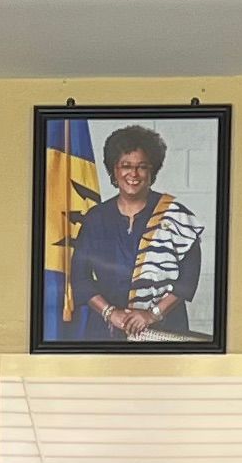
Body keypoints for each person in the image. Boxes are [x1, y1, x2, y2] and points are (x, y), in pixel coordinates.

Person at [61, 124, 203, 343]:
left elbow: (187, 281)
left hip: (164, 330)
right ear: (114, 170)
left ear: (152, 171)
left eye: (142, 167)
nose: (134, 174)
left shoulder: (177, 217)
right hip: (105, 330)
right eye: (126, 165)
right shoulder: (95, 218)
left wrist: (152, 314)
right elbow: (80, 278)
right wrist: (111, 313)